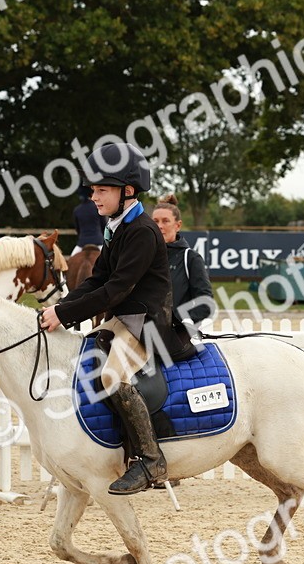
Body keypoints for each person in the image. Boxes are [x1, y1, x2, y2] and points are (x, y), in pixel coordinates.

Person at [40, 143, 194, 495]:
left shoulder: (141, 230)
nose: (94, 196)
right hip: (125, 316)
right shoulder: (117, 226)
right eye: (93, 189)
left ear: (127, 191)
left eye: (101, 190)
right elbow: (97, 279)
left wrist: (64, 313)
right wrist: (58, 309)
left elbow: (117, 289)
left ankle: (150, 460)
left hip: (147, 322)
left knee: (111, 376)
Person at [152, 194, 214, 333]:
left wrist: (183, 322)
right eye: (155, 221)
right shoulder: (142, 256)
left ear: (178, 225)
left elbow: (206, 302)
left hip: (174, 335)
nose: (159, 226)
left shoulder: (190, 258)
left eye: (165, 221)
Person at [72, 185, 106, 255]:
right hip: (98, 241)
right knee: (111, 262)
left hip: (82, 243)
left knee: (70, 262)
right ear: (91, 194)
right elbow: (104, 225)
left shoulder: (77, 210)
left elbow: (78, 229)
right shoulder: (98, 207)